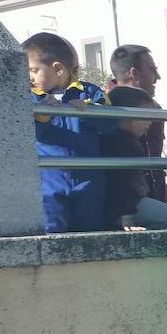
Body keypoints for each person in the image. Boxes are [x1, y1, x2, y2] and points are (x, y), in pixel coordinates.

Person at [24, 32, 112, 233]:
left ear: (58, 69)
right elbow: (28, 133)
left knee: (91, 232)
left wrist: (90, 110)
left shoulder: (89, 92)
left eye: (34, 70)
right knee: (51, 232)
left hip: (88, 177)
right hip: (48, 178)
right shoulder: (31, 99)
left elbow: (110, 124)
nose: (29, 78)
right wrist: (43, 115)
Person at [102, 86, 167, 229]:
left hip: (127, 204)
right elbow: (120, 183)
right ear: (127, 115)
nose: (150, 122)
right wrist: (127, 217)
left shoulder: (125, 141)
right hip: (121, 209)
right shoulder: (119, 145)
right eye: (145, 115)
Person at [108, 44, 167, 204]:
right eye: (152, 70)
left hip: (156, 198)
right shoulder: (105, 109)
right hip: (126, 204)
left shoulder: (156, 108)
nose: (158, 77)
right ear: (134, 73)